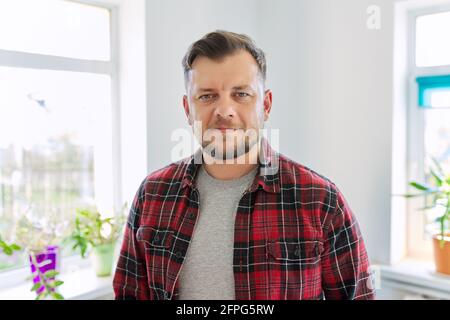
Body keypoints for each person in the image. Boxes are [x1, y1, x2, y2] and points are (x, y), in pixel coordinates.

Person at [113, 30, 375, 300]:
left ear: (266, 105)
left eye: (241, 94)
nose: (224, 111)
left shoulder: (321, 201)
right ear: (187, 109)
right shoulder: (152, 195)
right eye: (206, 96)